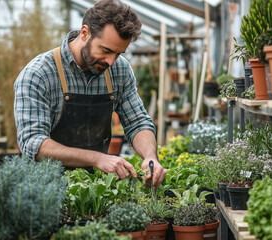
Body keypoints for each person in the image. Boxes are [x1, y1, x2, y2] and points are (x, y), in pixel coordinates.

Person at [14, 0, 166, 187]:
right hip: (44, 194)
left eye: (118, 53)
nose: (111, 61)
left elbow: (138, 122)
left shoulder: (119, 70)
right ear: (85, 33)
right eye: (106, 50)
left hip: (96, 191)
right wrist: (97, 158)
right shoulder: (39, 74)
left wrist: (151, 157)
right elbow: (33, 144)